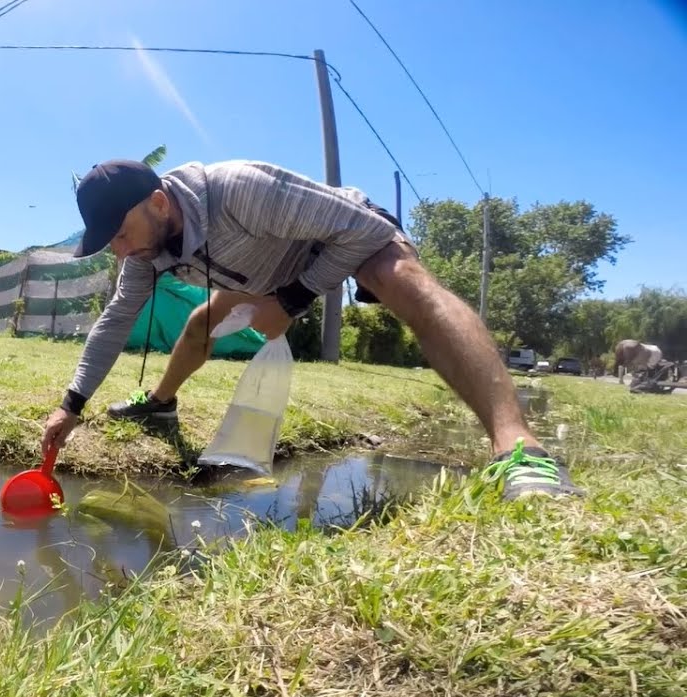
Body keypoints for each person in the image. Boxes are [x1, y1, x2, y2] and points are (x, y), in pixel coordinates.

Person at [40, 158, 583, 501]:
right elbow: (116, 320)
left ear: (159, 203)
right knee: (202, 321)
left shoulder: (238, 190)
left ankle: (519, 448)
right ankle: (160, 404)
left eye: (121, 234)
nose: (120, 250)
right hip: (265, 271)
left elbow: (363, 230)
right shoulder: (145, 250)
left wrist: (292, 300)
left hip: (343, 237)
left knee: (408, 285)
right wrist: (71, 404)